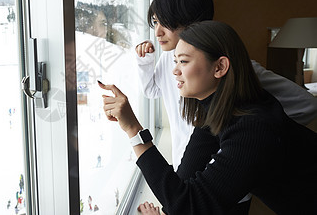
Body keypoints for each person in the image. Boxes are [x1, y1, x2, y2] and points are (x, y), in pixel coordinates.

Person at [99, 21, 317, 215]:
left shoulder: (253, 126)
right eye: (175, 61)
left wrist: (133, 130)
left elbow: (189, 205)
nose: (175, 71)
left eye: (183, 61)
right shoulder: (218, 109)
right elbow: (184, 181)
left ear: (220, 67)